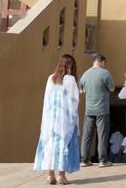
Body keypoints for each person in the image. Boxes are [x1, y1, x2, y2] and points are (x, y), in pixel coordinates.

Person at [34, 54, 80, 185]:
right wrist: (74, 120)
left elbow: (46, 100)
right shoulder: (70, 80)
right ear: (71, 66)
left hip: (49, 119)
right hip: (64, 120)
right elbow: (74, 101)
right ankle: (61, 176)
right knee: (63, 145)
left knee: (50, 145)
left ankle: (50, 176)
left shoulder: (51, 78)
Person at [79, 54, 115, 167]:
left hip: (89, 110)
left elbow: (81, 90)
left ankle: (84, 160)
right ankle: (103, 160)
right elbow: (112, 89)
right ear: (102, 62)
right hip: (102, 110)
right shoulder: (105, 73)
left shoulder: (85, 74)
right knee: (102, 135)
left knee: (87, 135)